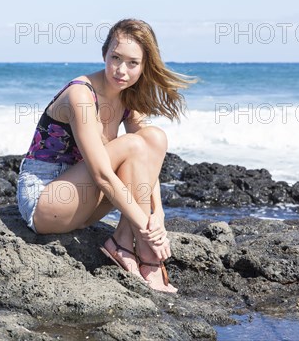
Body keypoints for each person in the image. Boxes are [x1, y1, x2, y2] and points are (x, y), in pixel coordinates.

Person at [17, 18, 194, 293]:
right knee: (133, 144)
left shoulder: (127, 96)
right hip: (46, 201)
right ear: (104, 54)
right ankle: (147, 256)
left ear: (145, 65)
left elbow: (147, 161)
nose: (121, 70)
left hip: (83, 200)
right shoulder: (81, 94)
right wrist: (149, 234)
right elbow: (101, 173)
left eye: (133, 63)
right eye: (115, 58)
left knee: (154, 137)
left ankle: (123, 243)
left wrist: (157, 215)